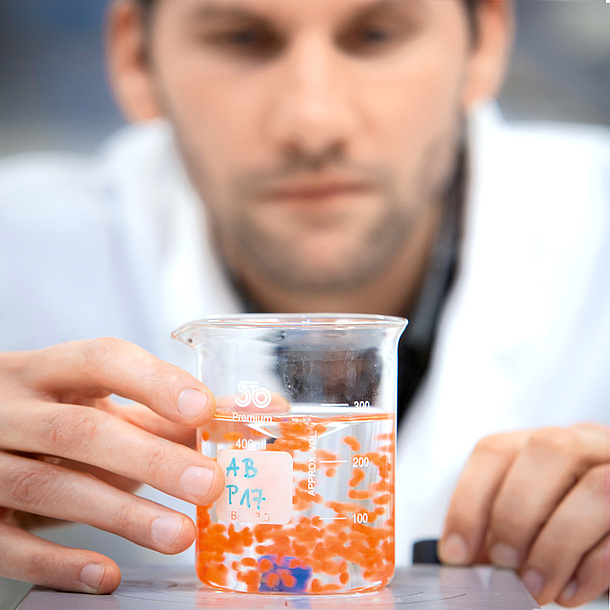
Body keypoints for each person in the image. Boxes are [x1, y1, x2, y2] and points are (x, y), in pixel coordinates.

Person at [0, 0, 608, 606]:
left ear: (484, 45)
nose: (313, 123)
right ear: (136, 58)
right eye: (242, 39)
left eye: (375, 34)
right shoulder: (18, 249)